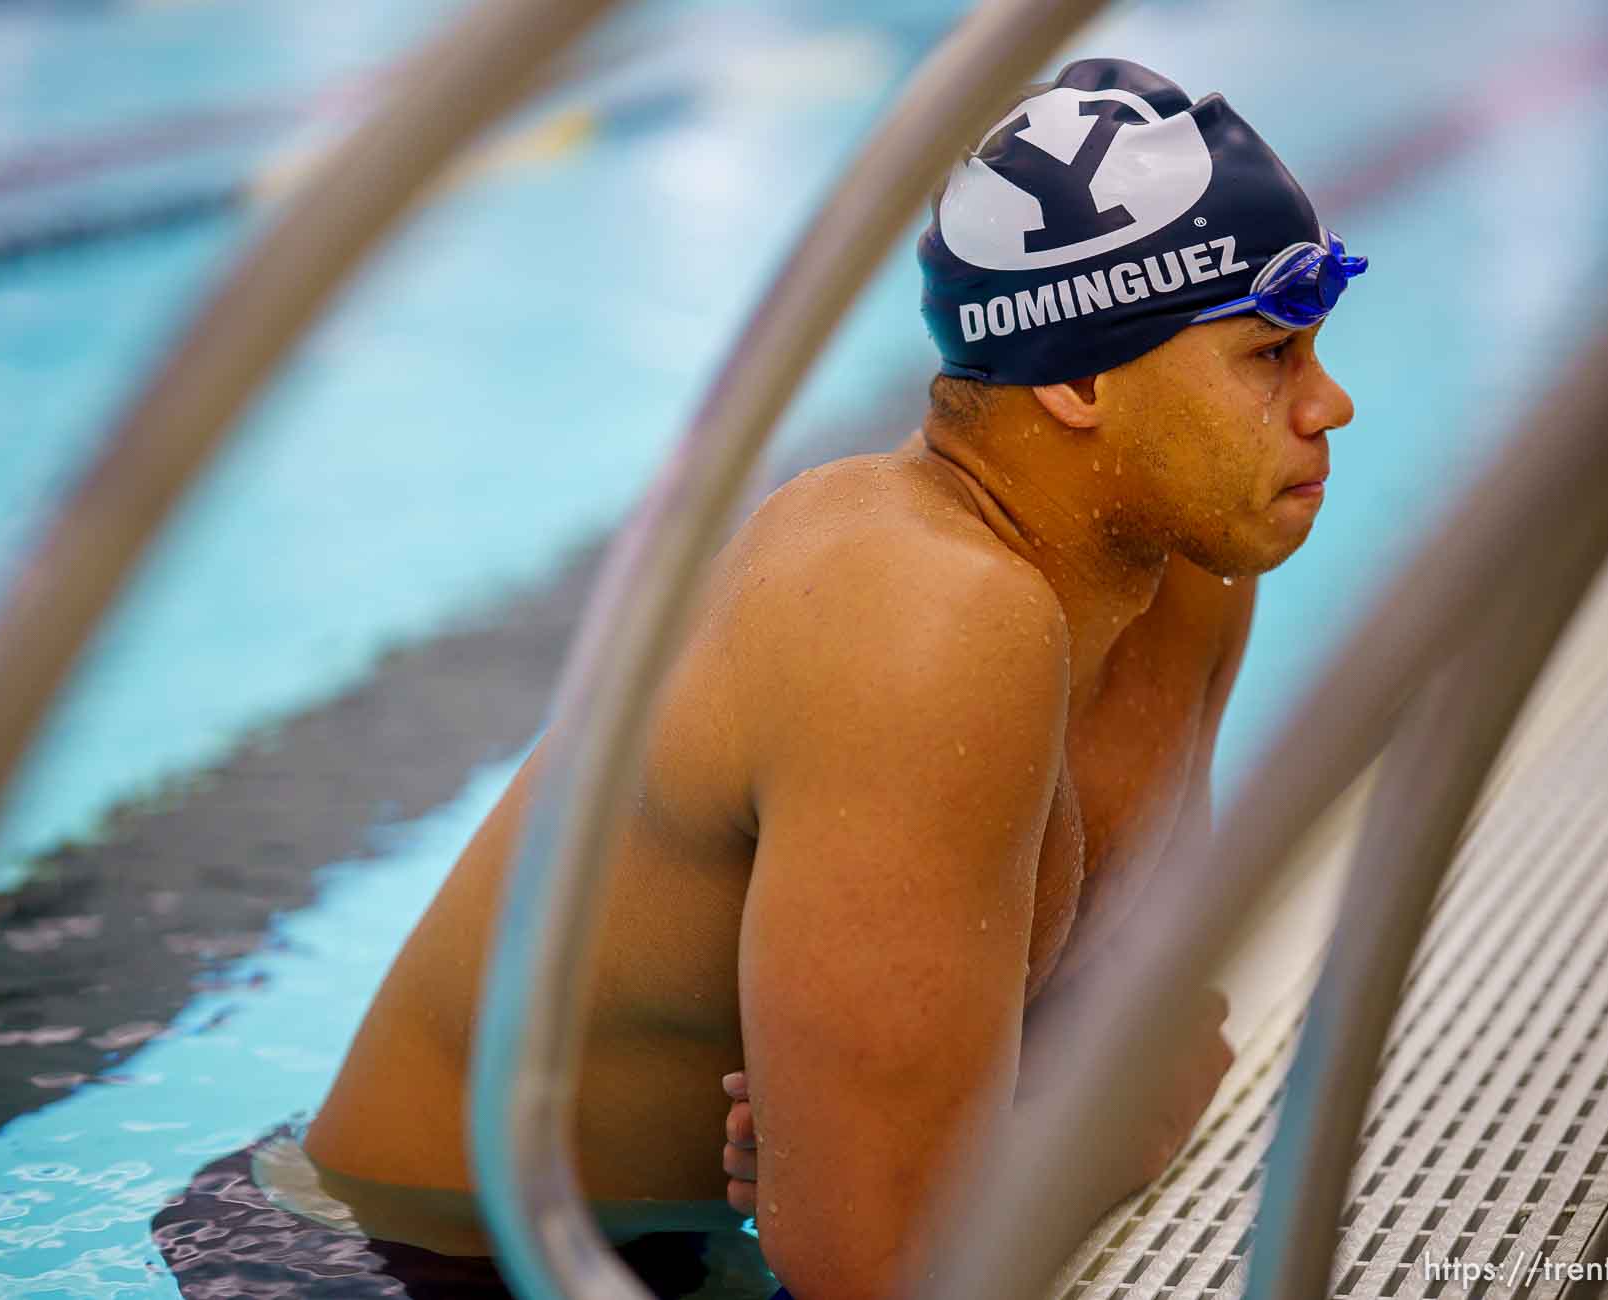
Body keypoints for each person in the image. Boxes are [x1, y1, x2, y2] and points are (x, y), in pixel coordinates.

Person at [151, 56, 1362, 1300]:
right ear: (1080, 378)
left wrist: (1012, 1123)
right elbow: (883, 1267)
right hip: (396, 1265)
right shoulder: (921, 616)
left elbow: (1156, 1021)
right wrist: (1094, 1127)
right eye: (1270, 354)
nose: (1331, 403)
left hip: (678, 1257)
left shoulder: (1196, 563)